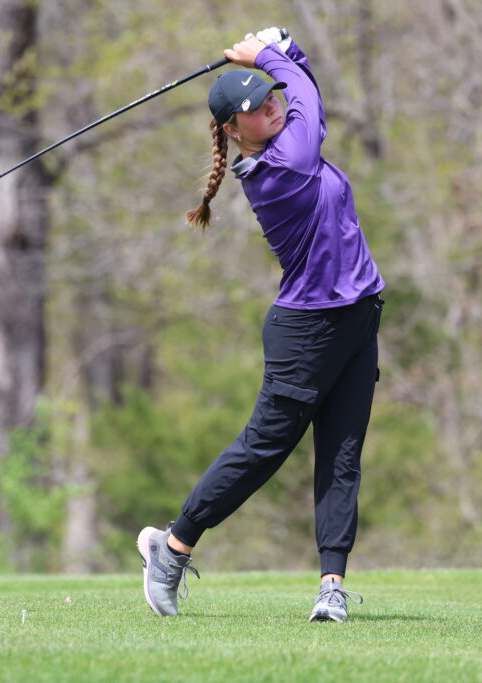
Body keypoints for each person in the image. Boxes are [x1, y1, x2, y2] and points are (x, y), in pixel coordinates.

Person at [137, 28, 385, 623]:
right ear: (232, 130)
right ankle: (170, 549)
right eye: (253, 107)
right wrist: (272, 53)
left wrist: (286, 55)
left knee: (343, 453)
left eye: (269, 95)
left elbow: (303, 96)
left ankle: (332, 587)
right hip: (308, 332)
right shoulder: (280, 169)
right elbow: (310, 103)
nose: (268, 105)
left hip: (357, 317)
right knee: (264, 449)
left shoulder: (290, 143)